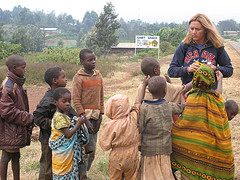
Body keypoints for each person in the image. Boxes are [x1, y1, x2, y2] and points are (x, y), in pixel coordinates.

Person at [171, 65, 234, 180]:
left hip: (190, 148)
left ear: (195, 79)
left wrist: (181, 94)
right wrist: (219, 81)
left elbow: (183, 113)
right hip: (208, 148)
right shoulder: (216, 98)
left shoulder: (191, 96)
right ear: (211, 80)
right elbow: (218, 93)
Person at [99, 76, 149, 180]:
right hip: (132, 154)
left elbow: (105, 145)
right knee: (133, 177)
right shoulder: (133, 118)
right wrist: (143, 85)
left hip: (117, 157)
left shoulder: (110, 125)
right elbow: (138, 103)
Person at [33, 67, 78, 180]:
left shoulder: (62, 97)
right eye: (63, 77)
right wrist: (55, 125)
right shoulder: (48, 99)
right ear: (55, 80)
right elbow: (37, 117)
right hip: (48, 139)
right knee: (47, 167)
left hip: (60, 141)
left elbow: (72, 113)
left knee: (58, 166)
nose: (66, 79)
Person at [167, 13, 233, 89]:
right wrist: (188, 69)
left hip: (210, 93)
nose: (194, 32)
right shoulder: (184, 46)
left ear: (205, 30)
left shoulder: (216, 46)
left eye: (197, 29)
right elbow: (171, 71)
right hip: (189, 93)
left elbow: (229, 70)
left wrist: (214, 69)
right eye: (192, 29)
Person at [138, 76, 186, 180]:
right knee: (165, 175)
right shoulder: (168, 106)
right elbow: (183, 108)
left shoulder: (144, 108)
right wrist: (182, 94)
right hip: (165, 150)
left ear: (149, 92)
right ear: (165, 91)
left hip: (148, 151)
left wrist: (143, 86)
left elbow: (139, 128)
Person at [0, 54, 34, 180]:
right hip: (10, 128)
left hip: (14, 128)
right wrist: (28, 117)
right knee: (6, 155)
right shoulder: (9, 86)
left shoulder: (15, 83)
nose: (25, 70)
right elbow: (7, 111)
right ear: (14, 68)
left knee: (15, 155)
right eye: (23, 67)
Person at [72, 49, 104, 179]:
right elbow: (76, 100)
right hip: (84, 119)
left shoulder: (98, 76)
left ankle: (84, 172)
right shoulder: (78, 78)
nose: (93, 62)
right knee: (85, 148)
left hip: (96, 117)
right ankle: (82, 175)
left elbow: (101, 97)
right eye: (89, 60)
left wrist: (101, 114)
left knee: (93, 150)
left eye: (94, 59)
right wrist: (84, 119)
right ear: (82, 62)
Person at [49, 87, 88, 179]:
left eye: (69, 101)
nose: (67, 104)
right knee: (63, 174)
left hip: (66, 155)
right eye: (64, 101)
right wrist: (78, 123)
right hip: (63, 155)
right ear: (55, 103)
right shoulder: (59, 117)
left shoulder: (63, 115)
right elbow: (68, 134)